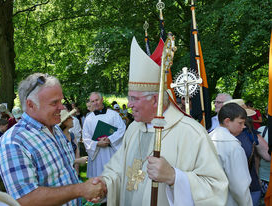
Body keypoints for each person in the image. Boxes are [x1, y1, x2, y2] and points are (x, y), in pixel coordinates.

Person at [97, 37, 228, 206]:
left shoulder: (191, 133)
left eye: (134, 99)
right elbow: (117, 169)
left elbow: (216, 188)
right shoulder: (134, 129)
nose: (129, 105)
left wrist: (174, 177)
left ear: (155, 100)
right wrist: (104, 185)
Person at [0, 73, 106, 205]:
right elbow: (26, 200)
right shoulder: (13, 142)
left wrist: (86, 192)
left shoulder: (55, 129)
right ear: (31, 105)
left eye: (60, 101)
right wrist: (80, 189)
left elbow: (65, 176)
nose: (61, 107)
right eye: (54, 102)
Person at [227, 99, 270, 206]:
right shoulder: (215, 135)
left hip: (250, 188)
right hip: (226, 189)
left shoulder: (250, 133)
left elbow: (268, 156)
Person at [209, 102, 253, 206]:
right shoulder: (233, 147)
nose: (243, 127)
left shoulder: (207, 139)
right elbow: (239, 187)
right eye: (240, 123)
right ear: (227, 121)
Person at [83, 92, 126, 178]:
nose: (95, 103)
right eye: (92, 101)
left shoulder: (114, 115)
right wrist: (97, 144)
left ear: (102, 100)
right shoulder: (88, 119)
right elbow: (85, 138)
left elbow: (122, 129)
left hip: (111, 153)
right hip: (97, 154)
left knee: (113, 179)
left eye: (97, 100)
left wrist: (110, 139)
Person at [59, 108, 88, 175]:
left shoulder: (72, 135)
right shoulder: (58, 138)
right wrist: (78, 160)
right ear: (64, 122)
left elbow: (77, 154)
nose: (72, 119)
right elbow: (60, 160)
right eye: (70, 117)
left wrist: (76, 173)